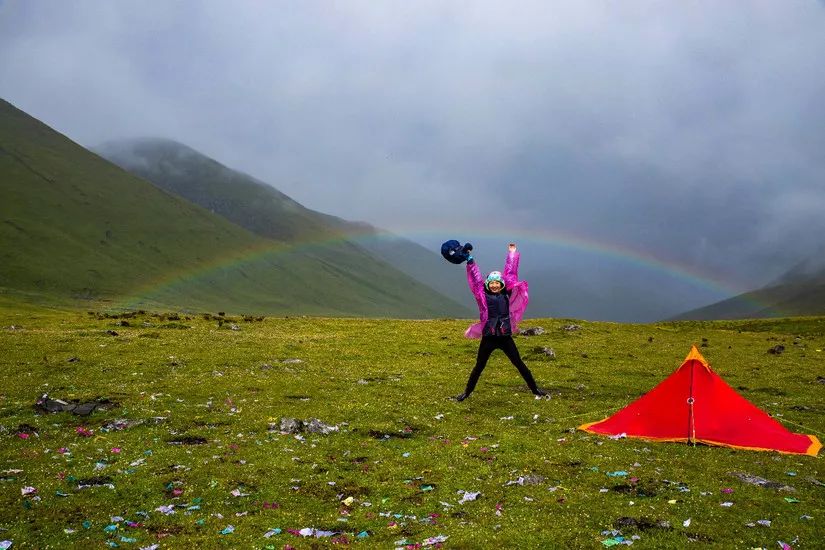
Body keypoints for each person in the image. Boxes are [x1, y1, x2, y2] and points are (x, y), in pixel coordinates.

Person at [454, 243, 547, 401]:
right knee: (479, 367)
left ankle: (535, 390)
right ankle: (466, 394)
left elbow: (511, 273)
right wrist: (469, 260)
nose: (495, 285)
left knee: (519, 364)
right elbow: (476, 279)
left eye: (498, 282)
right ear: (488, 284)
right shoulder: (481, 295)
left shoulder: (507, 293)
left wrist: (512, 253)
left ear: (501, 284)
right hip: (488, 338)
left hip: (505, 338)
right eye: (492, 282)